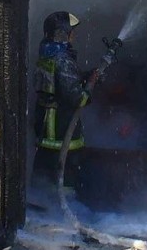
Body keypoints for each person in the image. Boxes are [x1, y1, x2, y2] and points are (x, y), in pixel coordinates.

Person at [32, 10, 99, 190]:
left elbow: (59, 83)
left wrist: (85, 76)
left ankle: (40, 203)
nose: (73, 36)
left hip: (45, 128)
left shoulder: (47, 55)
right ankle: (64, 206)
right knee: (65, 179)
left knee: (44, 177)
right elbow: (77, 98)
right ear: (61, 34)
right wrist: (89, 89)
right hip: (62, 130)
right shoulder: (63, 61)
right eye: (70, 32)